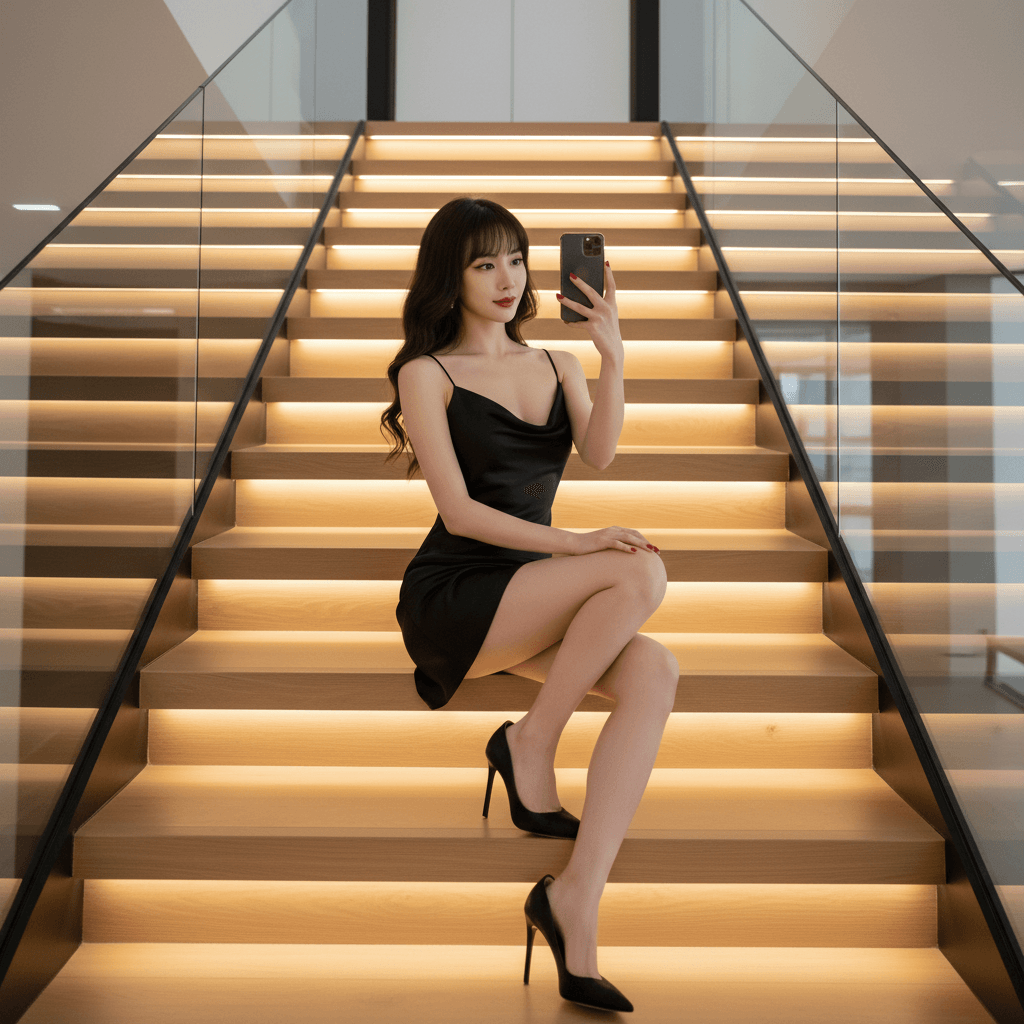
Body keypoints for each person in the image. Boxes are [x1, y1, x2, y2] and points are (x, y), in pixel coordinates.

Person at [381, 197, 678, 1012]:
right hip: (459, 593)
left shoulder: (556, 364)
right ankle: (534, 740)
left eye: (515, 259)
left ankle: (574, 899)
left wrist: (612, 356)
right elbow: (459, 514)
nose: (507, 278)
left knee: (655, 669)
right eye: (485, 264)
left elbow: (603, 454)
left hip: (536, 589)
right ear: (452, 276)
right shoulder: (427, 373)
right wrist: (579, 542)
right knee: (638, 571)